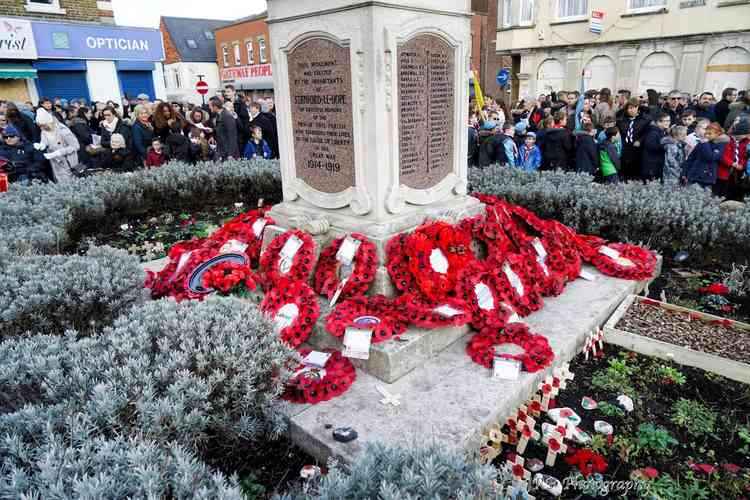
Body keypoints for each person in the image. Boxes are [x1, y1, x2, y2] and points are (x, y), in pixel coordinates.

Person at [36, 108, 80, 183]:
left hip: (69, 162)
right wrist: (42, 145)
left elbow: (75, 146)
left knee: (71, 182)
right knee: (60, 181)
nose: (41, 128)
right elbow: (45, 140)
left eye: (43, 125)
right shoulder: (44, 131)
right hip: (56, 163)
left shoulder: (63, 130)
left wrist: (58, 152)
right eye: (40, 126)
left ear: (49, 122)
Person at [681, 122, 727, 190]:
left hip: (707, 178)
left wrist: (706, 144)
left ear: (717, 134)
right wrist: (684, 172)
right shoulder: (701, 143)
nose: (707, 136)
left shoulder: (720, 145)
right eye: (706, 133)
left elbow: (711, 157)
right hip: (694, 175)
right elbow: (691, 158)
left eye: (710, 134)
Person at [716, 117, 749, 200]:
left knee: (737, 188)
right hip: (726, 170)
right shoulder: (728, 141)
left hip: (739, 171)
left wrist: (741, 164)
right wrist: (732, 163)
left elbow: (745, 156)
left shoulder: (746, 142)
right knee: (723, 190)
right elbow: (722, 156)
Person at [617, 98, 649, 181]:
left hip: (637, 149)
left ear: (637, 107)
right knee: (624, 171)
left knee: (635, 172)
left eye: (633, 108)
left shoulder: (644, 120)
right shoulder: (621, 120)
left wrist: (640, 141)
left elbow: (646, 133)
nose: (631, 110)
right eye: (629, 108)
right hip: (624, 148)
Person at [641, 112, 671, 181]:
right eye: (666, 121)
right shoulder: (653, 132)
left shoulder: (662, 131)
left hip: (657, 165)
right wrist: (665, 146)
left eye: (669, 120)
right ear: (658, 122)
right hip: (651, 166)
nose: (668, 123)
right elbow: (651, 146)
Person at [224, 84, 250, 149]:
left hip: (240, 136)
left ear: (234, 92)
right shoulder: (225, 103)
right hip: (230, 135)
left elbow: (245, 120)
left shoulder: (241, 104)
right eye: (225, 92)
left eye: (228, 91)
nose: (226, 93)